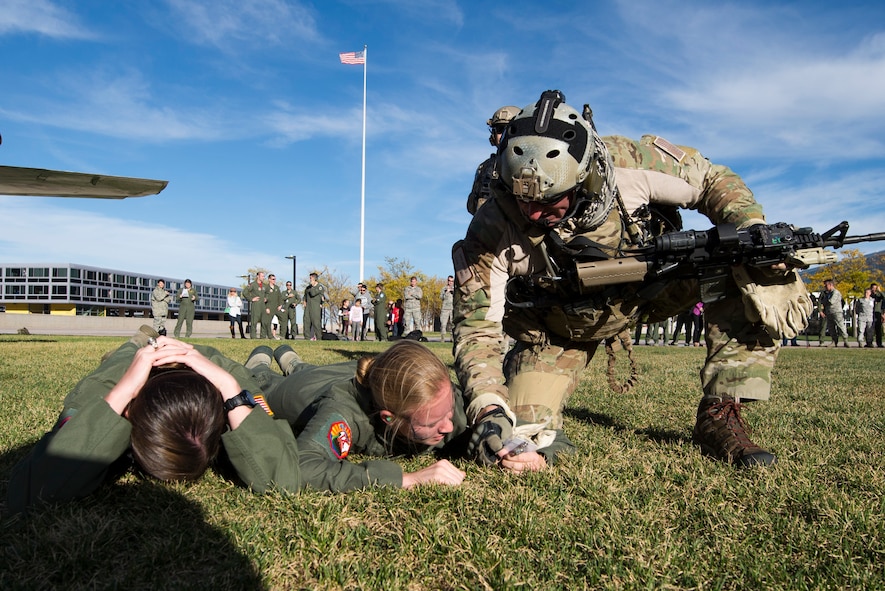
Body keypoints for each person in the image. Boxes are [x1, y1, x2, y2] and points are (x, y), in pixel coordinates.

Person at [452, 90, 812, 470]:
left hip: (648, 291)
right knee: (522, 435)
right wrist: (488, 406)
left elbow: (711, 179)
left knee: (748, 257)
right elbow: (477, 329)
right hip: (557, 327)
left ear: (585, 177)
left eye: (550, 201)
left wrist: (750, 227)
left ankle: (719, 412)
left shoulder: (629, 163)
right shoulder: (493, 226)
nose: (535, 213)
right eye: (524, 201)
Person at [7, 327, 302, 515]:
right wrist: (125, 387)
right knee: (127, 351)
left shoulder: (229, 391)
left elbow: (284, 478)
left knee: (251, 371)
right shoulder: (103, 389)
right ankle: (142, 336)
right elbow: (28, 490)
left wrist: (227, 384)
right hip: (130, 369)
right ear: (127, 416)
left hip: (208, 364)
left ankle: (261, 354)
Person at [248, 340, 475, 491]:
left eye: (448, 411)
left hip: (346, 372)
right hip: (297, 389)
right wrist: (405, 480)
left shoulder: (436, 396)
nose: (448, 426)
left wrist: (496, 444)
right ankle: (262, 362)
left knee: (304, 367)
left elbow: (480, 421)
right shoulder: (343, 411)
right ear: (389, 418)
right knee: (263, 380)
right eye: (433, 423)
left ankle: (294, 361)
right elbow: (302, 466)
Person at [467, 105, 521, 215]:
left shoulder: (531, 164)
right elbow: (472, 206)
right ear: (493, 134)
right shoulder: (484, 167)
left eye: (509, 129)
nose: (504, 134)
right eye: (500, 129)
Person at [819, 279, 849, 348]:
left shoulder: (836, 292)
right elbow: (822, 301)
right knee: (831, 328)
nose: (825, 287)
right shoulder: (828, 293)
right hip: (829, 312)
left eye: (826, 285)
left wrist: (825, 301)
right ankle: (834, 341)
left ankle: (845, 340)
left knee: (841, 327)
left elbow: (831, 301)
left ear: (830, 285)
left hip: (837, 312)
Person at [242, 272, 269, 339]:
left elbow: (268, 293)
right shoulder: (252, 284)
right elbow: (245, 292)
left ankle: (263, 336)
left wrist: (266, 298)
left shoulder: (265, 286)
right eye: (262, 276)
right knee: (254, 321)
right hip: (256, 305)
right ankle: (253, 336)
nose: (263, 278)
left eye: (264, 276)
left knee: (264, 321)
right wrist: (251, 299)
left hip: (263, 305)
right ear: (258, 276)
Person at [303, 273, 326, 341]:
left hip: (315, 307)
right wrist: (304, 301)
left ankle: (319, 337)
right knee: (306, 321)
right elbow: (305, 295)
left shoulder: (319, 287)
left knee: (316, 323)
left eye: (311, 278)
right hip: (308, 307)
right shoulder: (308, 287)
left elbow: (313, 293)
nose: (310, 279)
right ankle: (307, 337)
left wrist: (313, 286)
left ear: (315, 279)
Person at [265, 274, 284, 341]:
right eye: (273, 279)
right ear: (269, 279)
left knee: (283, 318)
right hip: (269, 307)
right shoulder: (266, 287)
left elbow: (280, 297)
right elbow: (264, 298)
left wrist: (280, 305)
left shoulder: (276, 288)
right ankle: (270, 336)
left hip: (277, 307)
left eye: (275, 279)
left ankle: (282, 335)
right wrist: (266, 307)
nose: (274, 280)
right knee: (268, 322)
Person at [439, 275, 455, 342]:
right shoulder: (444, 289)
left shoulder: (455, 289)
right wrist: (446, 292)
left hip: (452, 308)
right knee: (443, 323)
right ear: (447, 281)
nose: (450, 282)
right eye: (449, 281)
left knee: (452, 324)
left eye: (452, 281)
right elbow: (441, 297)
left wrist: (452, 291)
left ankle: (452, 338)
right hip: (445, 309)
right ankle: (442, 338)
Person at [871, 283, 885, 348]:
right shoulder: (869, 295)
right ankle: (869, 343)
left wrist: (880, 291)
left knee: (878, 329)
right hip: (870, 313)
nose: (874, 289)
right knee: (869, 329)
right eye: (873, 288)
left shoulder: (879, 295)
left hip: (877, 313)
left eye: (875, 288)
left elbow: (884, 297)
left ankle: (879, 343)